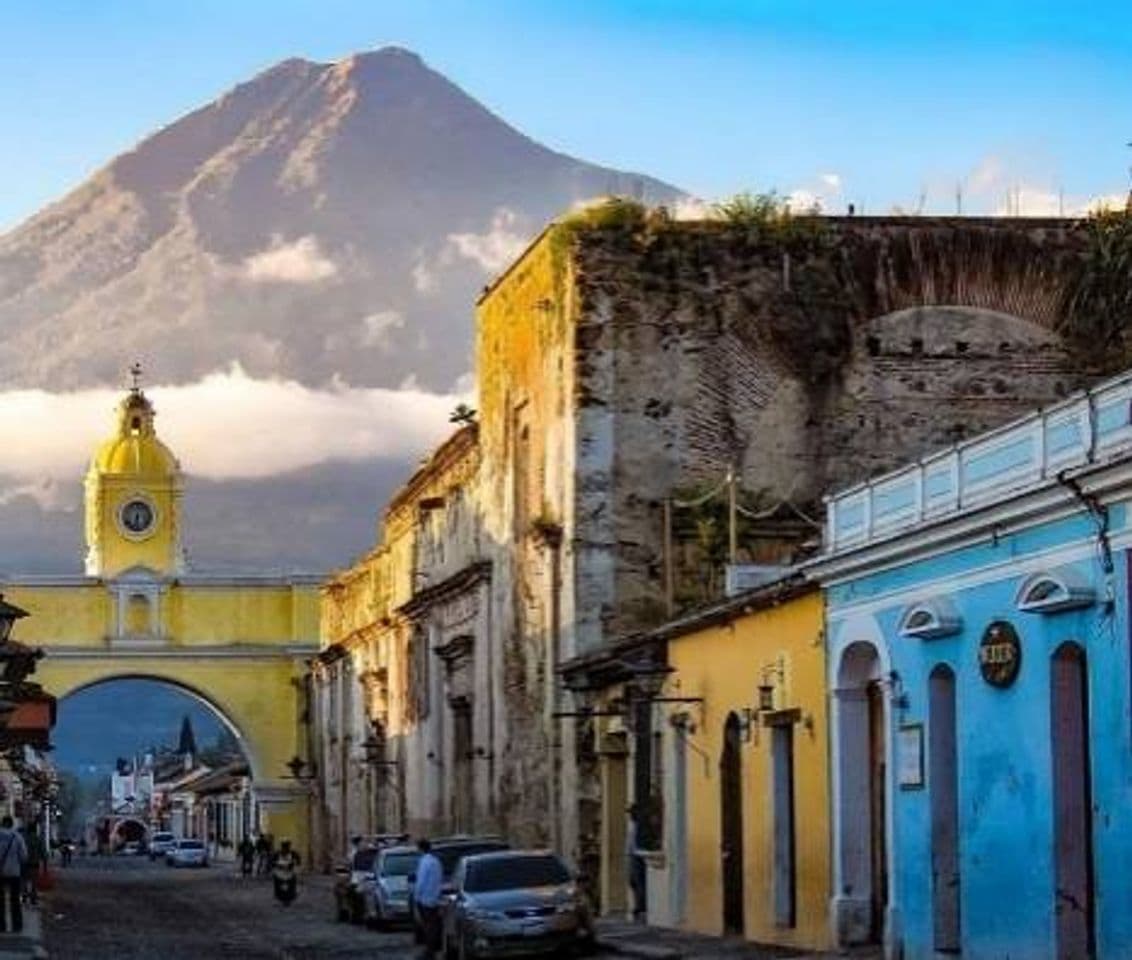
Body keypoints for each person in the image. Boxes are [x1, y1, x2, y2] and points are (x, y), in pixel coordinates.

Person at [415, 838, 443, 960]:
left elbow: (421, 881)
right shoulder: (436, 861)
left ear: (420, 849)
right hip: (435, 897)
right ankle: (433, 949)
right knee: (434, 925)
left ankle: (429, 952)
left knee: (428, 926)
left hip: (425, 898)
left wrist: (417, 896)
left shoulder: (424, 862)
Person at [0, 818, 27, 934]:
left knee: (0, 901)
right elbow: (24, 855)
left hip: (0, 872)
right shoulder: (17, 837)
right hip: (14, 872)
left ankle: (1, 925)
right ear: (11, 825)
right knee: (15, 900)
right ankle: (17, 926)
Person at [626, 804, 647, 923]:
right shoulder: (632, 826)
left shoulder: (640, 827)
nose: (631, 816)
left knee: (639, 882)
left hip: (637, 856)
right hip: (632, 856)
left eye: (632, 813)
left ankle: (641, 906)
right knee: (633, 882)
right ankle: (638, 905)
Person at [19, 825, 43, 907]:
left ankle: (24, 897)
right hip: (35, 863)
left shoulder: (23, 839)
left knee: (24, 882)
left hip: (24, 863)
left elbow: (20, 851)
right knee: (34, 883)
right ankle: (33, 900)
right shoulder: (38, 839)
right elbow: (43, 852)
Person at [271, 839, 300, 906]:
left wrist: (293, 864)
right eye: (284, 846)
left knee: (292, 884)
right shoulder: (277, 853)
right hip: (280, 873)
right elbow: (272, 862)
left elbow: (298, 861)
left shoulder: (293, 853)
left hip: (289, 873)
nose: (285, 848)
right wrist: (278, 865)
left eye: (287, 846)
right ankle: (279, 896)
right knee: (278, 883)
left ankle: (291, 896)